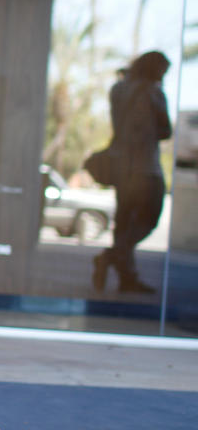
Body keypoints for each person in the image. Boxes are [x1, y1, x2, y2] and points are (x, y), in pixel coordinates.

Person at [92, 51, 172, 293]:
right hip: (146, 168)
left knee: (124, 223)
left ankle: (126, 276)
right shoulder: (153, 92)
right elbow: (165, 130)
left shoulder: (118, 89)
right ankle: (112, 256)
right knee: (149, 219)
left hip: (121, 166)